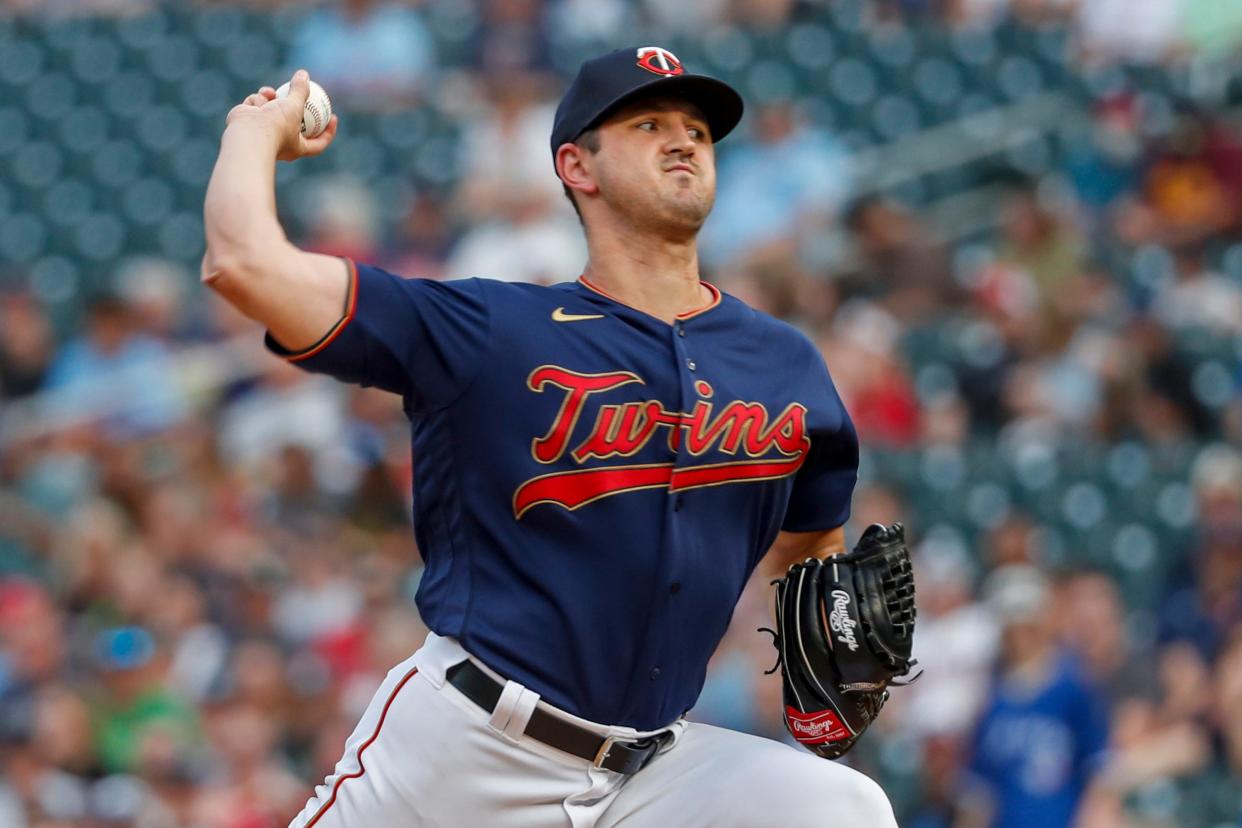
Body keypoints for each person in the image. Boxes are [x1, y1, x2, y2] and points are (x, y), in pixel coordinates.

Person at [202, 47, 897, 827]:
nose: (684, 140)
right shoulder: (492, 330)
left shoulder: (783, 362)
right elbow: (243, 266)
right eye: (649, 124)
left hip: (652, 773)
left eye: (698, 130)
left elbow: (811, 546)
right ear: (577, 165)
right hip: (469, 752)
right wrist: (253, 134)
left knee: (841, 808)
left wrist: (831, 622)